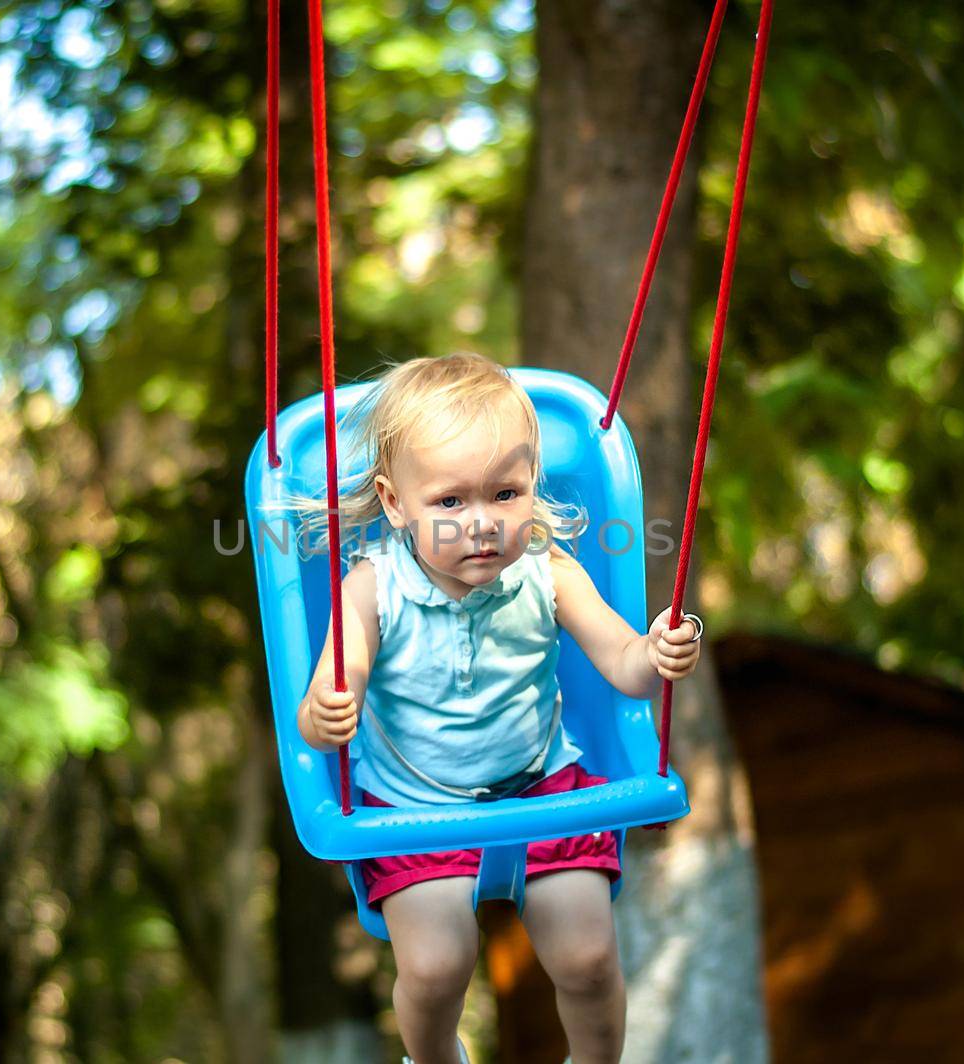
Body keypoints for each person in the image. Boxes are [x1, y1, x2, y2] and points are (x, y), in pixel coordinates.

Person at [290, 353, 703, 1064]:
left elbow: (623, 666)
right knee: (435, 967)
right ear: (395, 503)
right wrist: (327, 713)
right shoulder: (369, 588)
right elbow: (332, 688)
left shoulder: (550, 571)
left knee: (588, 960)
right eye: (450, 502)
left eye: (505, 494)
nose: (480, 524)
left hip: (543, 786)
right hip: (413, 804)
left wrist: (659, 653)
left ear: (531, 485)